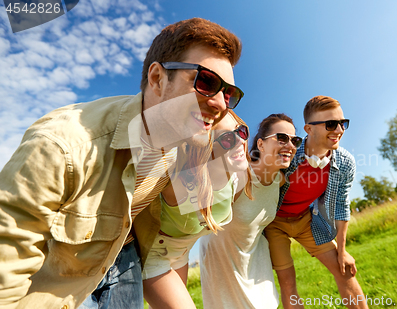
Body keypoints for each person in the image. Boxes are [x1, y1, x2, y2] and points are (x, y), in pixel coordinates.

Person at [0, 18, 243, 309]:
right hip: (60, 272)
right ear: (157, 78)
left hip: (125, 255)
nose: (220, 104)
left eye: (229, 93)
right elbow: (8, 267)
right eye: (206, 82)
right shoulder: (63, 145)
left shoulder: (183, 150)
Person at [264, 96, 368, 309]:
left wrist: (342, 250)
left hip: (306, 221)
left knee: (344, 270)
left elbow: (341, 203)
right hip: (275, 223)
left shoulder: (345, 162)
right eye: (331, 124)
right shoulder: (290, 154)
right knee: (287, 282)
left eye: (342, 123)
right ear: (308, 129)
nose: (339, 129)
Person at [142, 110, 252, 309]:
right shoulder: (179, 185)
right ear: (204, 147)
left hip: (181, 255)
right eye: (227, 139)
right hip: (153, 255)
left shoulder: (236, 179)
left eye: (241, 132)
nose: (239, 142)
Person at [200, 113, 303, 309]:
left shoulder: (280, 181)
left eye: (294, 140)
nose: (290, 145)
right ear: (261, 145)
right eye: (281, 138)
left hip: (256, 263)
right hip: (222, 267)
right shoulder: (238, 176)